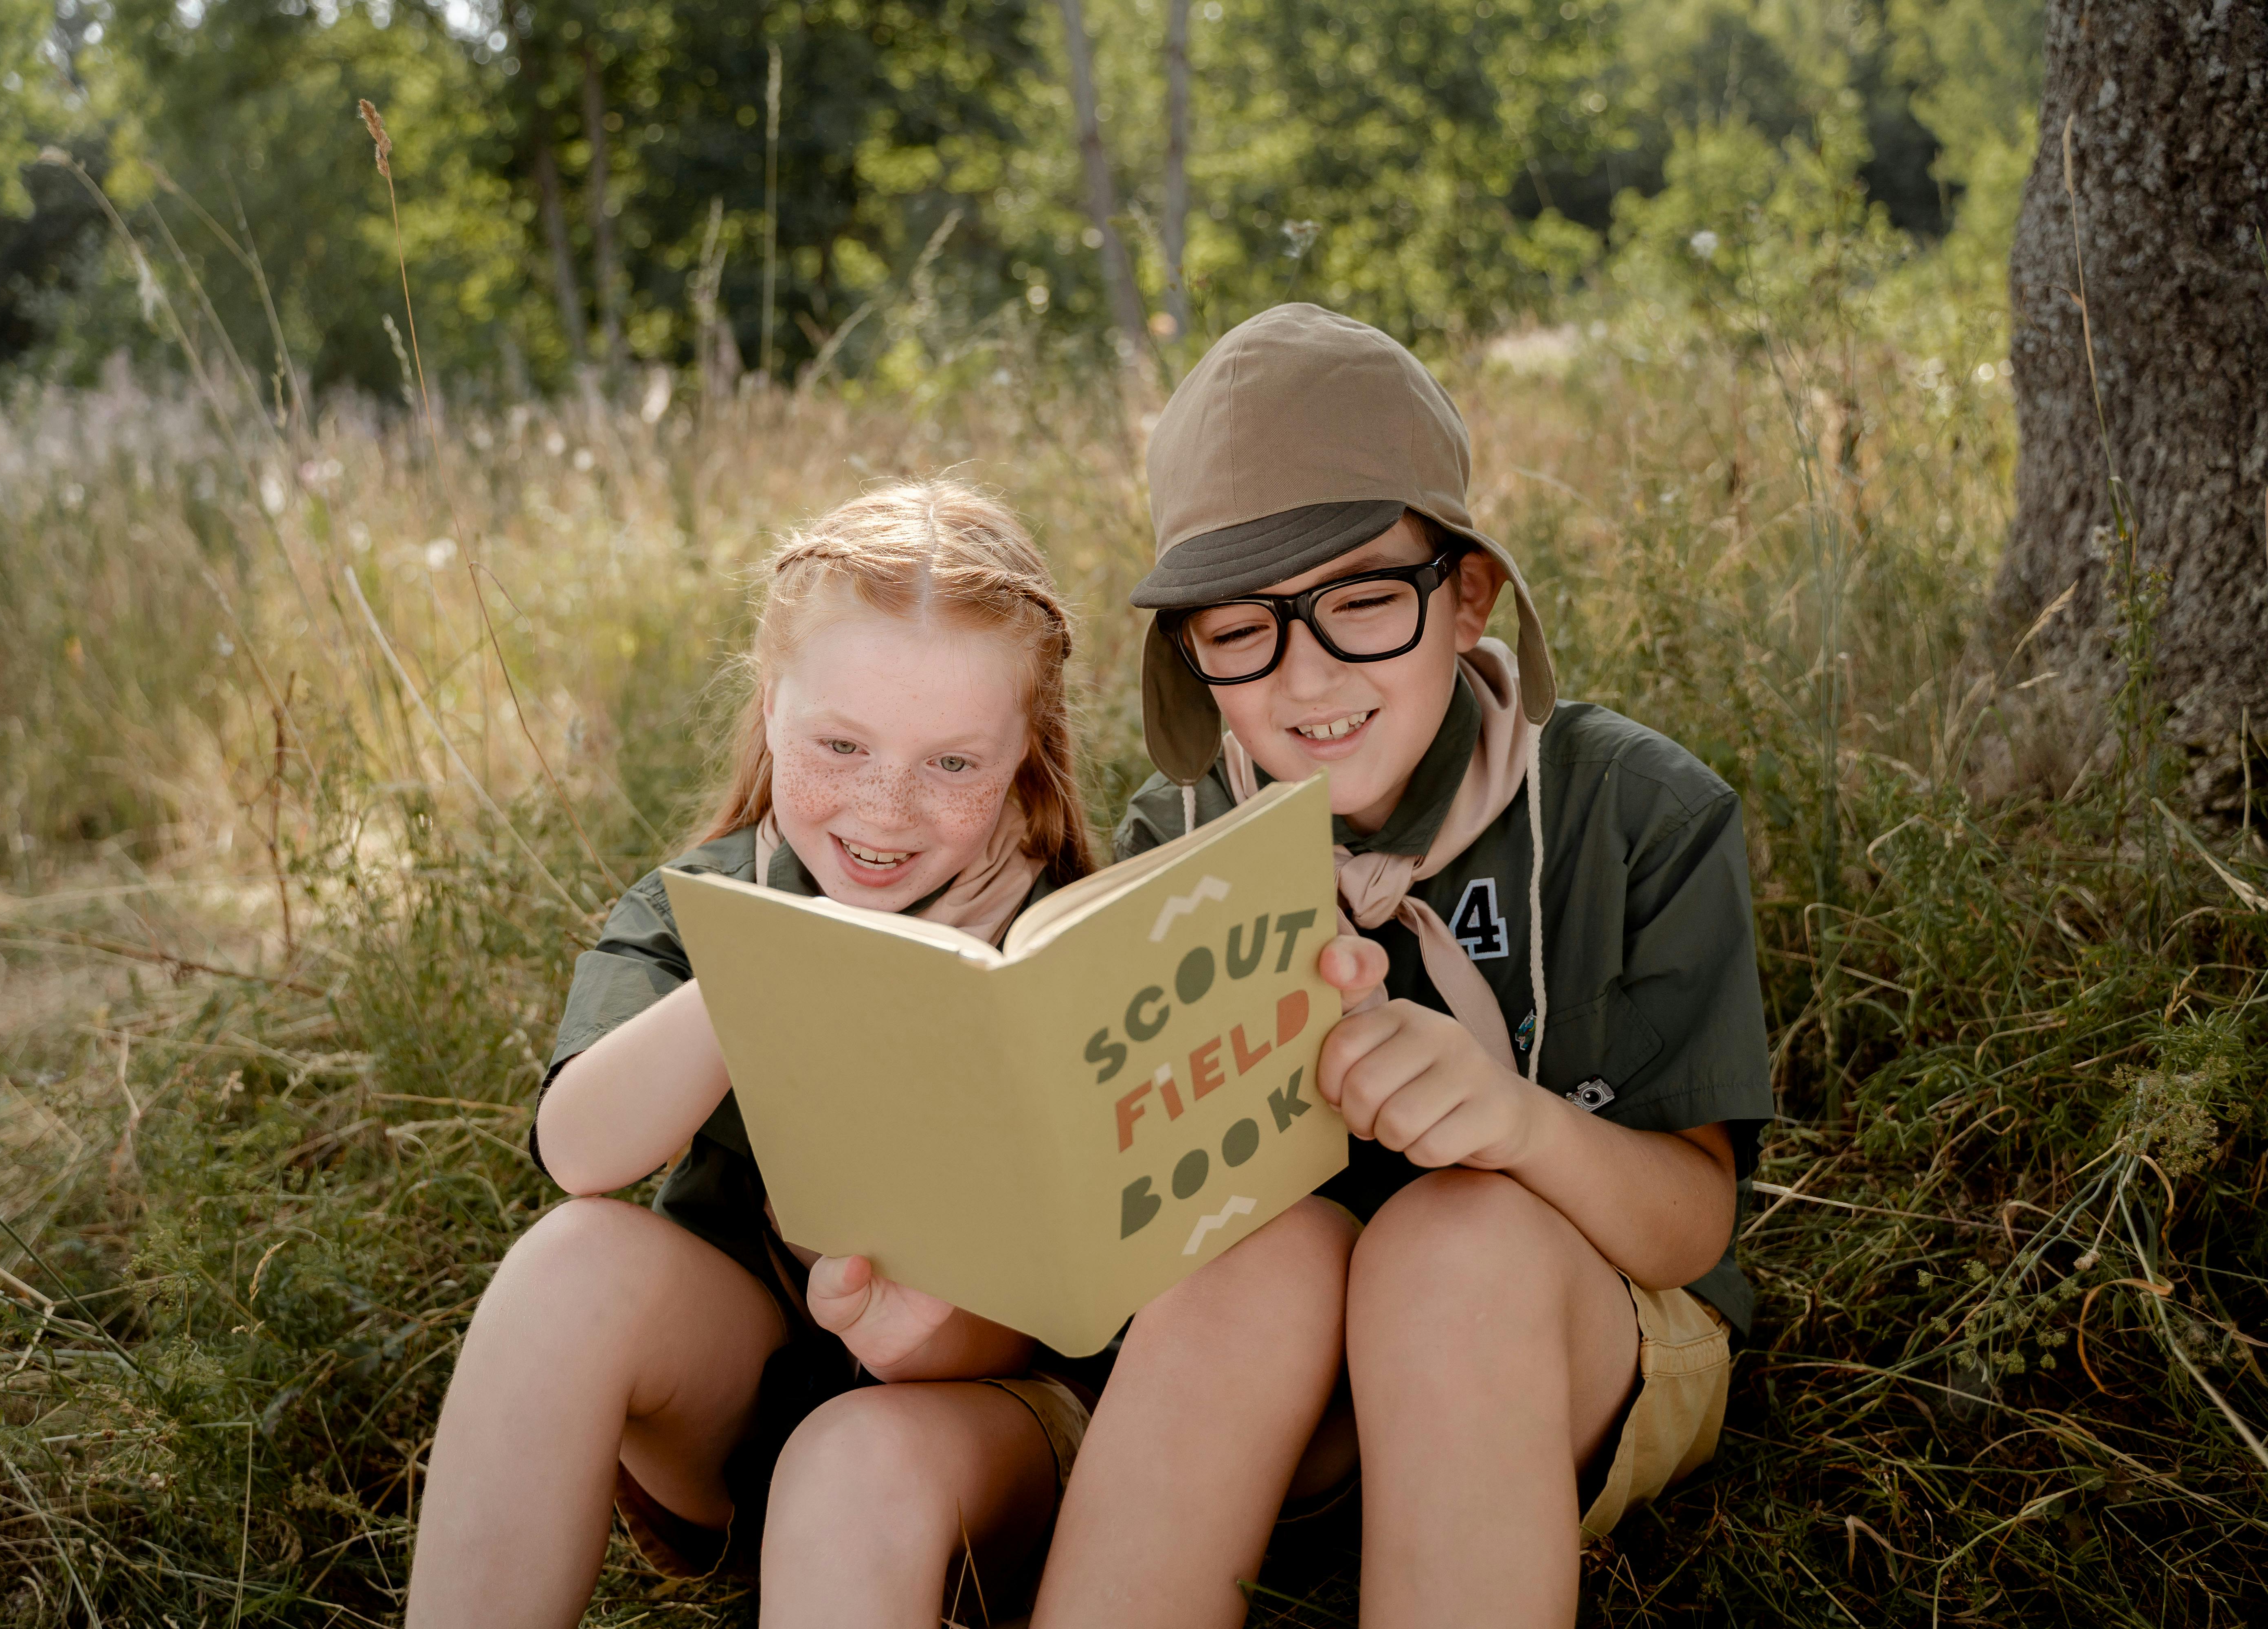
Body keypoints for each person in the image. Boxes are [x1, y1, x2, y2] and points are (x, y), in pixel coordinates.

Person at [1028, 304, 1775, 1628]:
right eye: (1239, 628)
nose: (1306, 678)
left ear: (1468, 593)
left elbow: (1691, 1226)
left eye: (1363, 602)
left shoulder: (1637, 815)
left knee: (1454, 1242)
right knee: (1258, 1257)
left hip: (1568, 1336)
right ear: (1191, 651)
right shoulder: (1175, 844)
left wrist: (1517, 1124)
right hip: (1284, 1381)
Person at [406, 481, 1099, 1627]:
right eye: (841, 743)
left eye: (953, 766)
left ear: (1027, 751)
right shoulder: (711, 904)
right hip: (744, 1403)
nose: (884, 809)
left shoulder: (1066, 938)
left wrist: (910, 1316)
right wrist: (778, 964)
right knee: (568, 1262)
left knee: (855, 1455)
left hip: (975, 1433)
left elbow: (1064, 1312)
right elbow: (581, 1148)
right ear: (771, 705)